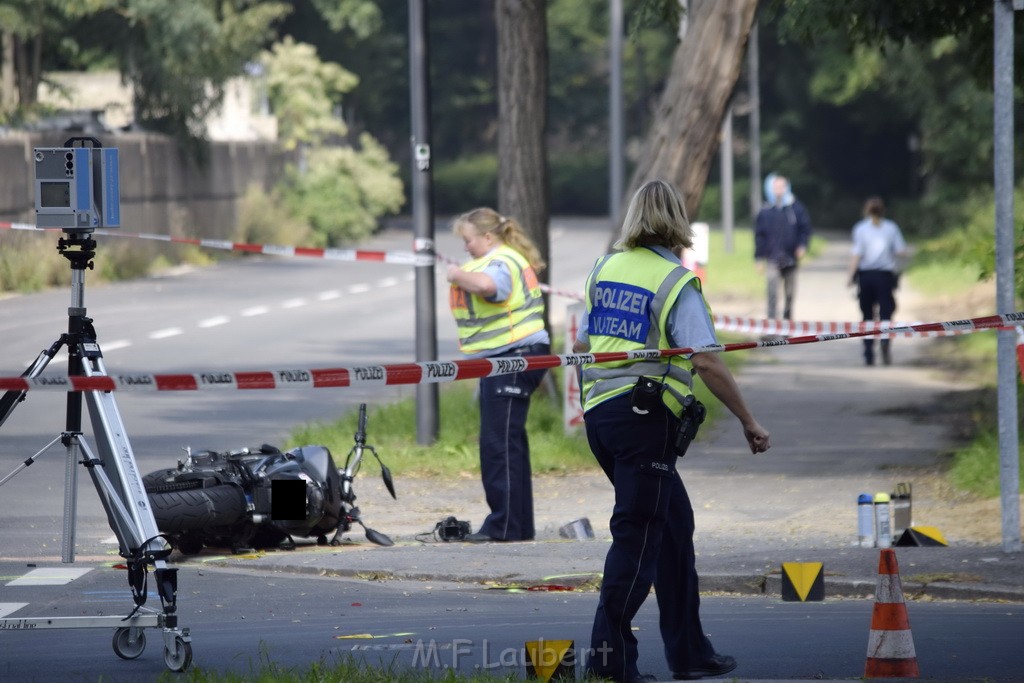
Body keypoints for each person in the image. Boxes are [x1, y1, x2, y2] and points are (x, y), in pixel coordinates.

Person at [573, 180, 770, 683]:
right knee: (637, 540)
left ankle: (690, 653)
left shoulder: (603, 268)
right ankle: (609, 663)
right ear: (676, 221)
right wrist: (749, 421)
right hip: (644, 425)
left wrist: (596, 409)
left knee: (674, 529)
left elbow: (581, 343)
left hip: (604, 420)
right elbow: (705, 359)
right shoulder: (674, 281)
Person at [446, 207, 550, 543]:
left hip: (513, 358)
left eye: (469, 240)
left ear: (488, 237)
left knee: (498, 446)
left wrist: (456, 274)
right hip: (512, 358)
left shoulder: (501, 261)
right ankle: (516, 527)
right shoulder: (506, 256)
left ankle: (503, 526)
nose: (466, 248)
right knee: (509, 444)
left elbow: (492, 287)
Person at [847, 197, 909, 366]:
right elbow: (901, 251)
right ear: (883, 211)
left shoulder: (860, 229)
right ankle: (885, 339)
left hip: (866, 276)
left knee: (867, 315)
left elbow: (857, 254)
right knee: (886, 313)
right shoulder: (891, 228)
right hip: (885, 276)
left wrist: (850, 276)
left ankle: (868, 351)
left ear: (866, 211)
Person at [753, 173, 812, 321]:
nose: (779, 190)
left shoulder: (796, 208)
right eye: (776, 187)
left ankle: (787, 323)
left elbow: (805, 229)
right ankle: (771, 325)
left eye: (782, 187)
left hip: (791, 258)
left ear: (787, 188)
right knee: (772, 294)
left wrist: (802, 245)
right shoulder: (765, 211)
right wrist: (759, 257)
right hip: (772, 258)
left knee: (790, 294)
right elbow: (759, 235)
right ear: (771, 189)